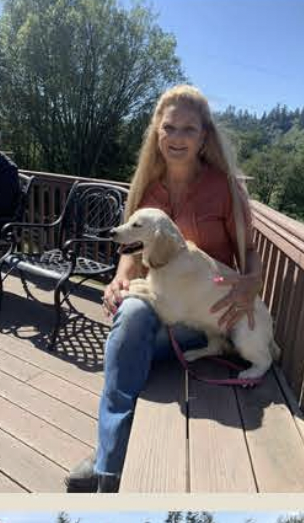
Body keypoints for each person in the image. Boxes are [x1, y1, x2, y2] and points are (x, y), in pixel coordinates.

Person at [65, 85, 263, 492]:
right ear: (156, 131)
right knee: (131, 317)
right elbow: (132, 253)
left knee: (125, 349)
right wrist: (120, 277)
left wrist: (250, 285)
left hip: (203, 316)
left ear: (204, 137)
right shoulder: (147, 188)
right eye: (169, 127)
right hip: (159, 303)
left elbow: (251, 255)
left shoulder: (226, 189)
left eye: (188, 129)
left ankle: (107, 455)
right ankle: (112, 462)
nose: (177, 137)